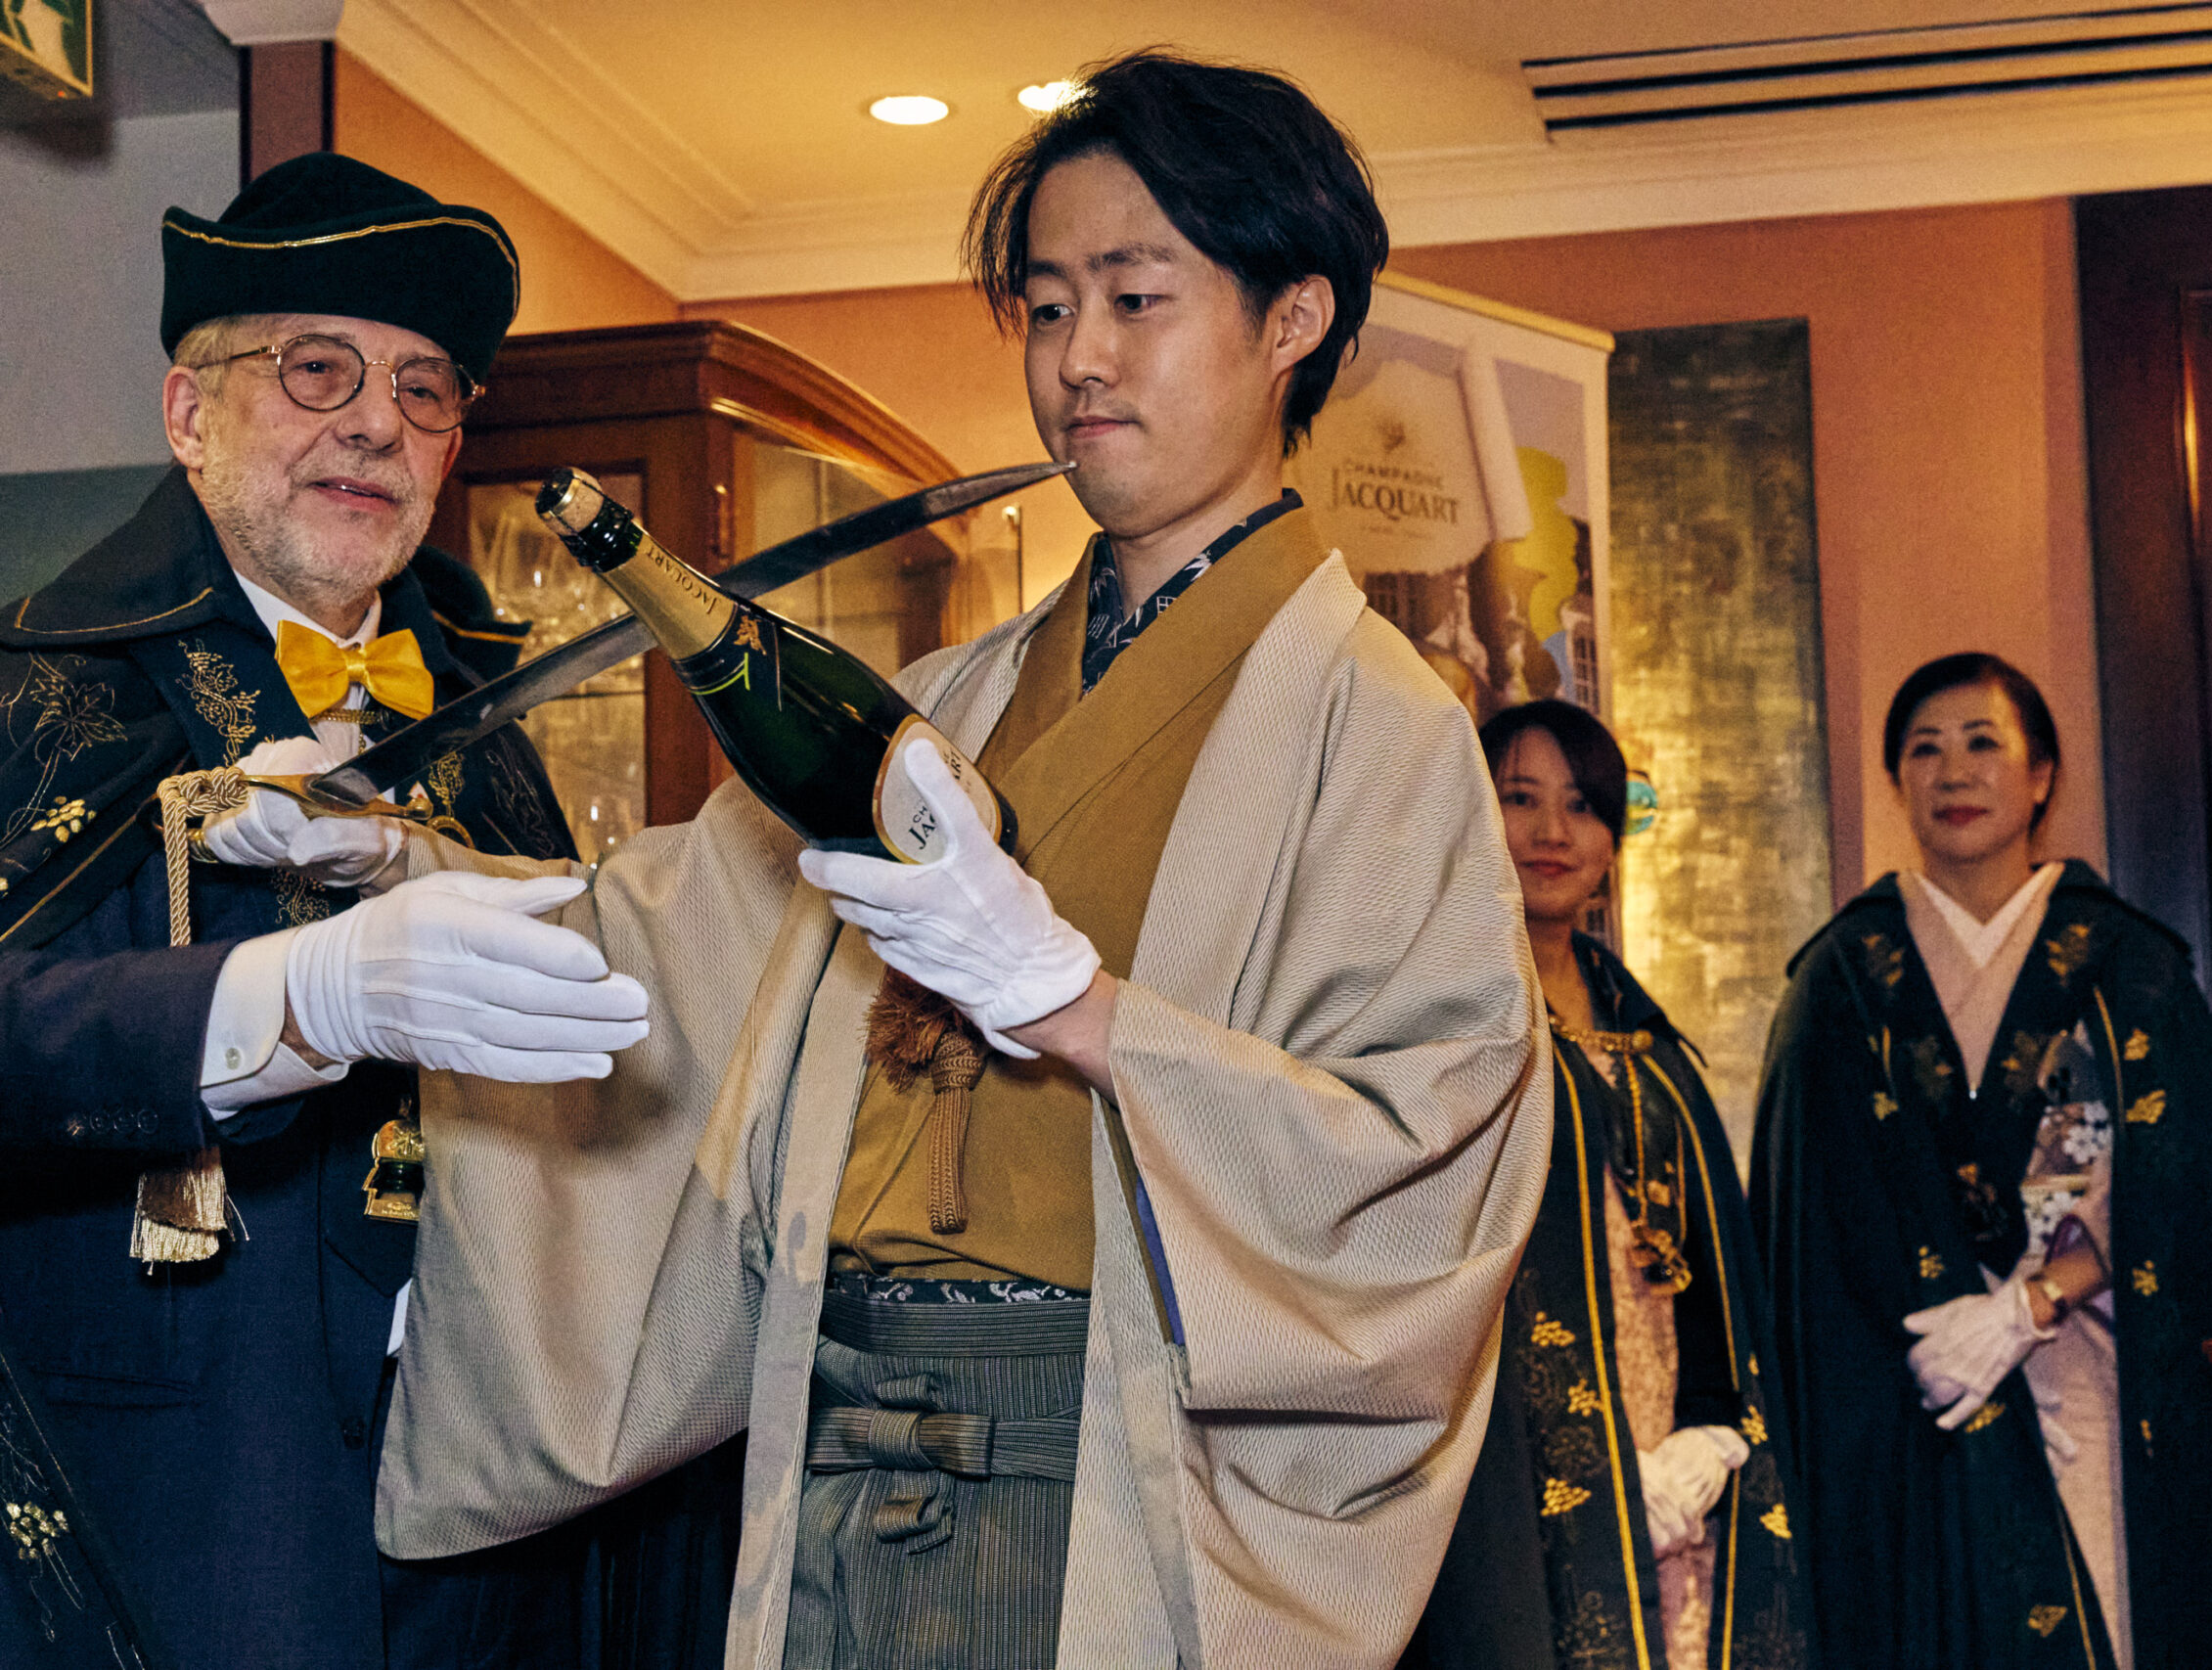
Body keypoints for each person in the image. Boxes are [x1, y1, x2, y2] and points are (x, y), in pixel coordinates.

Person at [339, 52, 1548, 1670]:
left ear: (1295, 318)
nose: (1079, 358)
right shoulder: (951, 696)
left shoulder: (1378, 727)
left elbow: (1430, 1157)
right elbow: (662, 932)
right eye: (1047, 308)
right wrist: (377, 870)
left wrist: (1081, 1009)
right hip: (834, 1420)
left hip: (1104, 1461)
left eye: (1136, 299)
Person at [0, 153, 652, 1669]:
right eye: (317, 368)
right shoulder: (39, 694)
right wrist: (298, 995)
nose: (377, 422)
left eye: (426, 389)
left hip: (492, 1510)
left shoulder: (490, 721)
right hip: (172, 1505)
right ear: (189, 413)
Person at [1752, 652, 2212, 1670]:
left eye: (1982, 743)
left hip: (2091, 1373)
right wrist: (1942, 1324)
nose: (1953, 771)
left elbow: (2185, 1187)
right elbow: (1809, 1217)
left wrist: (2030, 1303)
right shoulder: (1839, 980)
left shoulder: (2131, 965)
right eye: (1923, 750)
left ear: (2041, 777)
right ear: (1895, 783)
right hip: (1914, 1391)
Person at [1404, 700, 1811, 1670]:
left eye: (1581, 805)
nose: (1552, 830)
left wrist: (1710, 1429)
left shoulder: (1651, 1041)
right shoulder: (1440, 1025)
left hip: (1678, 1447)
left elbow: (1714, 1262)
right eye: (1519, 797)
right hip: (1524, 1452)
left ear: (1613, 843)